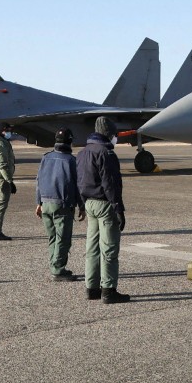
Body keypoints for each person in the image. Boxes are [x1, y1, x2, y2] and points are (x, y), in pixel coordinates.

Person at [76, 116, 129, 304]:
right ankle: (109, 290)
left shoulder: (83, 153)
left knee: (92, 248)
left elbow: (79, 182)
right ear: (108, 134)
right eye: (114, 134)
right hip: (105, 205)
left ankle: (91, 288)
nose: (116, 138)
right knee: (109, 249)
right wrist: (118, 208)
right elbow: (111, 183)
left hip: (89, 204)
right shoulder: (106, 154)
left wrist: (82, 204)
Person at [35, 128, 85, 282]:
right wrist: (81, 206)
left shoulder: (46, 157)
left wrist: (38, 202)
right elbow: (77, 185)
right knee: (63, 238)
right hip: (62, 204)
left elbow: (38, 181)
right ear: (70, 141)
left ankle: (55, 266)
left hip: (45, 203)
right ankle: (58, 270)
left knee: (52, 237)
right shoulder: (71, 160)